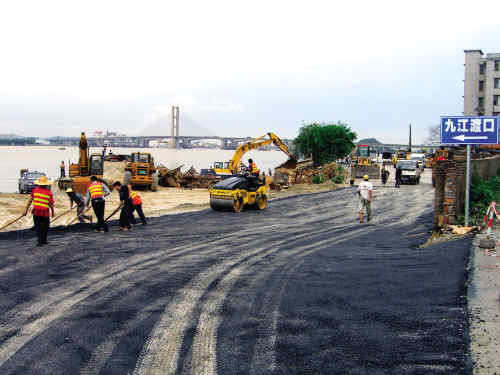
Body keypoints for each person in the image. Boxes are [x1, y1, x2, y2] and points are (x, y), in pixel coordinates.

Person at [23, 176, 55, 246]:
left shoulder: (34, 190)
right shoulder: (49, 192)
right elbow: (51, 204)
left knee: (38, 227)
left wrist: (25, 211)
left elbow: (29, 201)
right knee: (46, 227)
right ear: (46, 184)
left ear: (39, 184)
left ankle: (40, 241)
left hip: (36, 212)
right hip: (45, 213)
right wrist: (53, 212)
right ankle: (43, 241)